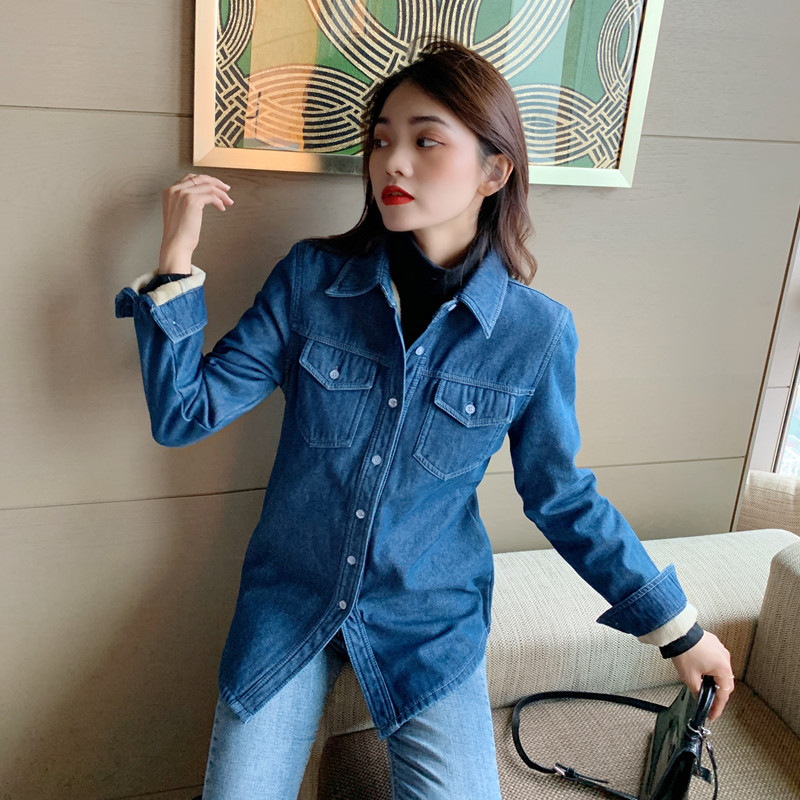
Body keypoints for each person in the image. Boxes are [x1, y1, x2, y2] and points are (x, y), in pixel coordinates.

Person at [115, 40, 733, 800]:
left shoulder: (535, 333)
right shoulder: (311, 281)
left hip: (429, 624)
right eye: (381, 141)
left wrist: (677, 628)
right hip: (290, 605)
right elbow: (185, 413)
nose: (393, 163)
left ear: (494, 171)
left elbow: (562, 496)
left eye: (426, 140)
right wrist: (175, 260)